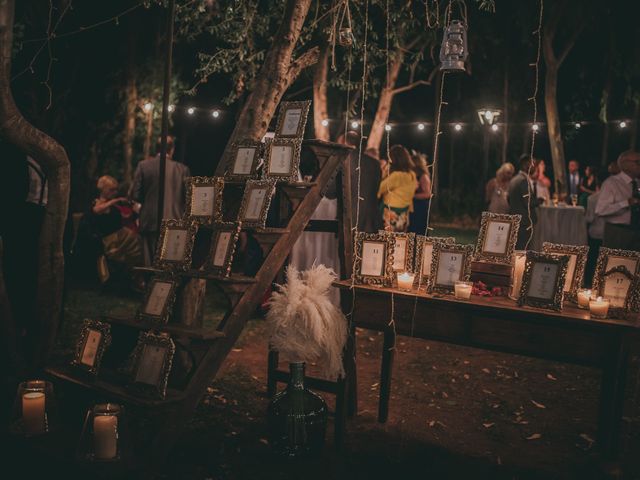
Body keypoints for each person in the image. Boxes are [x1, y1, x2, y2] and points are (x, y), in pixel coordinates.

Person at [129, 136, 190, 265]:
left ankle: (150, 284)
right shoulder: (182, 169)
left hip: (150, 220)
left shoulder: (143, 166)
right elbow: (188, 198)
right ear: (172, 149)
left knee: (150, 263)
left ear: (156, 148)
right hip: (174, 220)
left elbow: (136, 194)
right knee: (169, 264)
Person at [77, 176, 142, 284]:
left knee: (136, 242)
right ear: (102, 190)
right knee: (134, 241)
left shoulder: (113, 205)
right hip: (106, 241)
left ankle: (134, 278)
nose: (115, 192)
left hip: (119, 238)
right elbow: (97, 210)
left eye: (116, 190)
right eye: (111, 190)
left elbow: (123, 218)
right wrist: (115, 201)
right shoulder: (97, 202)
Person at [338, 132, 383, 233]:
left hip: (351, 218)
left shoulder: (343, 161)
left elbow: (330, 192)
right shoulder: (375, 163)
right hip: (373, 217)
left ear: (344, 143)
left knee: (349, 248)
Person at [595, 150, 640, 251]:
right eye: (637, 162)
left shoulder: (637, 183)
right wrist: (626, 203)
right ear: (625, 164)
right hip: (618, 232)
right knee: (614, 264)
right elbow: (600, 210)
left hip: (637, 231)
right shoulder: (611, 183)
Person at [377, 145, 416, 232]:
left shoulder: (396, 176)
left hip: (391, 215)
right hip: (404, 215)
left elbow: (379, 188)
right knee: (400, 242)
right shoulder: (411, 174)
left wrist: (383, 171)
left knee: (386, 242)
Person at [508, 154, 539, 249]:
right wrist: (540, 201)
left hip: (516, 219)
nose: (535, 167)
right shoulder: (523, 180)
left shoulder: (514, 179)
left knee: (516, 249)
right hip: (524, 222)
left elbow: (509, 199)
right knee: (523, 250)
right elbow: (528, 203)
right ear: (526, 165)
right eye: (533, 164)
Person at [408, 151, 433, 234]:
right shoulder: (414, 175)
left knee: (419, 230)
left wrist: (412, 196)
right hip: (414, 207)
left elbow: (427, 194)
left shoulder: (423, 176)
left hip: (420, 207)